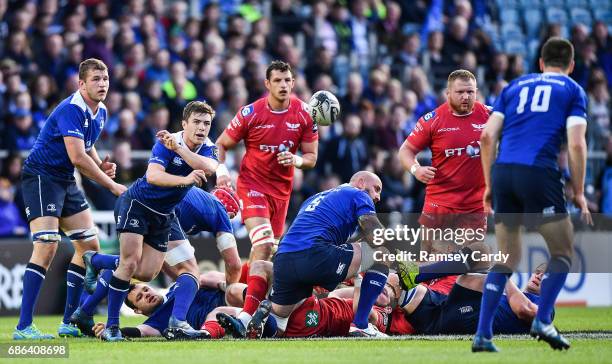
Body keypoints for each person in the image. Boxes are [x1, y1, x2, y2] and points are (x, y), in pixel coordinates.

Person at [473, 37, 592, 352]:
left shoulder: (513, 87)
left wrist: (488, 185)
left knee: (507, 258)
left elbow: (487, 137)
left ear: (540, 63)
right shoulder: (572, 90)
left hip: (502, 174)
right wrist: (579, 192)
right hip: (538, 172)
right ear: (571, 66)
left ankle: (483, 335)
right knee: (563, 252)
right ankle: (543, 320)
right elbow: (577, 144)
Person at [13, 58, 127, 340]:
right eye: (96, 79)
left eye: (105, 78)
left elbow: (87, 148)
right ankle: (23, 327)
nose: (103, 84)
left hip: (64, 180)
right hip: (42, 177)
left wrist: (100, 165)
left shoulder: (100, 112)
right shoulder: (71, 109)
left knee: (89, 246)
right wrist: (111, 185)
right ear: (81, 84)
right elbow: (77, 157)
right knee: (47, 245)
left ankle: (69, 322)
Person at [219, 171, 390, 338]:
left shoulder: (316, 198)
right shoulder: (358, 194)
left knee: (279, 323)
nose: (378, 197)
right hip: (315, 254)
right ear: (361, 183)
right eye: (377, 189)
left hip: (284, 259)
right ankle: (360, 326)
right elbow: (374, 233)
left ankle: (246, 320)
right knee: (382, 254)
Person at [100, 101, 218, 341]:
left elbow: (209, 168)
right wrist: (184, 179)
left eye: (206, 123)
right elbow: (153, 176)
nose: (201, 128)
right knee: (130, 263)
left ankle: (177, 323)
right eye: (196, 122)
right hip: (138, 205)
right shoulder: (165, 142)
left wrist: (181, 150)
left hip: (164, 214)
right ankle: (112, 326)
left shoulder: (206, 147)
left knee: (149, 273)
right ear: (184, 124)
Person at [75, 187, 243, 339]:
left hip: (131, 200)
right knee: (189, 270)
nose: (147, 294)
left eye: (145, 290)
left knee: (142, 270)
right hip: (156, 206)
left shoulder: (199, 202)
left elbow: (167, 262)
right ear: (230, 212)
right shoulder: (220, 211)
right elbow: (234, 265)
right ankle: (178, 322)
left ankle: (88, 301)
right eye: (141, 296)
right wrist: (228, 289)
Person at [215, 60, 318, 266]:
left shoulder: (305, 114)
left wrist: (296, 160)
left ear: (293, 83)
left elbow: (311, 158)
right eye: (277, 80)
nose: (283, 85)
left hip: (281, 191)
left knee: (270, 253)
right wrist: (221, 172)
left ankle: (239, 290)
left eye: (287, 80)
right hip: (252, 185)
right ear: (267, 84)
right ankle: (248, 297)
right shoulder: (251, 113)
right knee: (264, 244)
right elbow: (220, 144)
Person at [397, 69, 491, 287]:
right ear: (448, 93)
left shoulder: (489, 116)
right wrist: (416, 170)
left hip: (474, 207)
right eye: (460, 92)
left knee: (471, 262)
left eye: (471, 92)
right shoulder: (433, 120)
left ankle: (459, 312)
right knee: (429, 263)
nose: (466, 97)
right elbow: (405, 151)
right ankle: (419, 309)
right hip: (439, 204)